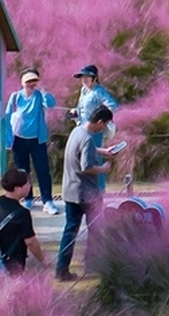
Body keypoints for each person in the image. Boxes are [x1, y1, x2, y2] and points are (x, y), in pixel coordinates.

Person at [55, 106, 115, 280]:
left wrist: (102, 151)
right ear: (100, 122)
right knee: (95, 229)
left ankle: (61, 269)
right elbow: (86, 167)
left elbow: (81, 149)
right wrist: (103, 169)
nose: (105, 128)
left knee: (70, 231)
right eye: (106, 125)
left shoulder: (77, 131)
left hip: (70, 191)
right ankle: (92, 266)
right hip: (86, 194)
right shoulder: (88, 139)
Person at [0, 165, 47, 276]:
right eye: (27, 183)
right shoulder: (22, 213)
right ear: (17, 188)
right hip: (13, 264)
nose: (29, 186)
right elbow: (31, 242)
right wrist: (43, 260)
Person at [6, 69, 60, 213]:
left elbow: (51, 104)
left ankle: (47, 201)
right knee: (23, 171)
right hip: (19, 140)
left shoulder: (39, 96)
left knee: (43, 171)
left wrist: (42, 90)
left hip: (37, 140)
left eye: (33, 81)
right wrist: (8, 139)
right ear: (22, 83)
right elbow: (7, 116)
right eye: (28, 81)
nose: (30, 84)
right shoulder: (16, 97)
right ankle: (28, 199)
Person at [70, 66, 120, 132]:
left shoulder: (99, 92)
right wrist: (75, 113)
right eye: (82, 77)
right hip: (83, 128)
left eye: (87, 77)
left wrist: (100, 121)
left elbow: (113, 106)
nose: (84, 79)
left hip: (95, 131)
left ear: (95, 78)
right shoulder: (84, 90)